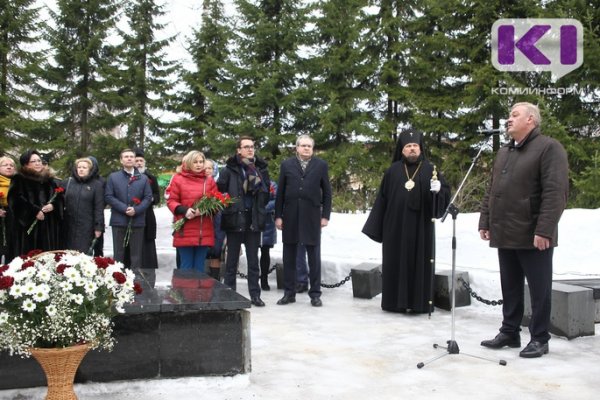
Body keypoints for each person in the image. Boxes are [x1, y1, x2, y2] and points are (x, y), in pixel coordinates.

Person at [479, 102, 569, 358]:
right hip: (505, 231)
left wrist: (545, 230)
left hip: (533, 234)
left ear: (531, 120)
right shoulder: (505, 152)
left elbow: (556, 193)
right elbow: (492, 190)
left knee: (539, 289)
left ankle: (540, 338)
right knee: (510, 286)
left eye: (514, 115)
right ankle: (510, 331)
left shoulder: (549, 148)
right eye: (508, 115)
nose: (509, 119)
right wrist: (485, 221)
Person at [362, 129, 450, 314]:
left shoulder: (431, 170)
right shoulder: (392, 171)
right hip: (395, 228)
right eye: (408, 146)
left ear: (420, 149)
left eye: (415, 146)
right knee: (395, 263)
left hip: (421, 229)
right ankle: (394, 303)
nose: (412, 149)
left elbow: (442, 199)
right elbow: (382, 200)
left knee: (420, 264)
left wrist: (439, 189)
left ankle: (419, 304)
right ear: (402, 150)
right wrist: (377, 227)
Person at [275, 135, 332, 307]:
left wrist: (325, 216)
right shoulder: (287, 165)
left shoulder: (321, 165)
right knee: (289, 256)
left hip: (312, 216)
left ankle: (315, 294)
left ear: (312, 149)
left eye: (309, 146)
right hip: (290, 216)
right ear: (297, 148)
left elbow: (327, 193)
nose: (306, 148)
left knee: (314, 256)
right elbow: (280, 193)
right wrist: (278, 216)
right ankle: (289, 293)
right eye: (303, 145)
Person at [217, 136, 270, 307]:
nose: (250, 149)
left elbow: (267, 193)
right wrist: (228, 204)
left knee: (253, 261)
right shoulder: (229, 169)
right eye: (246, 147)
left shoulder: (260, 169)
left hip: (253, 219)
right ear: (238, 150)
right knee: (232, 261)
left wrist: (259, 196)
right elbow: (220, 192)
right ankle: (229, 294)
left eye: (252, 147)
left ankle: (255, 295)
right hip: (234, 218)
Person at [105, 149, 153, 283]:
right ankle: (117, 279)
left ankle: (135, 280)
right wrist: (124, 208)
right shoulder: (113, 177)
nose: (129, 159)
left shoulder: (143, 178)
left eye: (132, 156)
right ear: (121, 160)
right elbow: (109, 196)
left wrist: (136, 210)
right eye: (126, 157)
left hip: (137, 221)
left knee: (136, 254)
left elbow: (148, 197)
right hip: (119, 220)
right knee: (118, 253)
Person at [167, 151, 217, 271]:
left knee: (200, 267)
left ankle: (198, 290)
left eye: (201, 162)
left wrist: (204, 210)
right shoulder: (178, 179)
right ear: (188, 163)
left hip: (203, 229)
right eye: (195, 162)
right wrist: (185, 210)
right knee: (186, 267)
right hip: (185, 229)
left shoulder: (209, 181)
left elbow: (216, 203)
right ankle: (185, 290)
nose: (199, 165)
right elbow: (171, 201)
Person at [8, 150, 64, 257]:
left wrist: (53, 206)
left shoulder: (49, 179)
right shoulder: (19, 179)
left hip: (48, 226)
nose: (38, 163)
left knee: (48, 257)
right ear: (26, 164)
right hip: (28, 228)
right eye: (33, 161)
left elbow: (60, 197)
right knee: (30, 258)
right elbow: (14, 200)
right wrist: (33, 211)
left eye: (39, 160)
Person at [124, 149, 160, 285]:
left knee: (147, 247)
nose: (138, 163)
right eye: (136, 160)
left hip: (147, 217)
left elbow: (157, 197)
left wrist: (148, 199)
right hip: (132, 216)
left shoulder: (151, 178)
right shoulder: (127, 177)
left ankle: (148, 278)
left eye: (141, 161)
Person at [62, 157, 105, 254]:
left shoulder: (96, 185)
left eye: (84, 167)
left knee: (82, 255)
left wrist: (98, 227)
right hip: (68, 226)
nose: (81, 169)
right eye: (79, 167)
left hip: (86, 228)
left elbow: (99, 208)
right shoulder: (67, 183)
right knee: (67, 255)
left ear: (90, 169)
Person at [205, 159, 226, 280]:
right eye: (205, 168)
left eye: (210, 168)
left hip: (218, 221)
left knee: (216, 252)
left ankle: (215, 280)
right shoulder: (198, 183)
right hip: (202, 220)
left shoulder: (221, 184)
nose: (207, 170)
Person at [259, 181, 277, 290]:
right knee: (251, 253)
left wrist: (263, 208)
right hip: (252, 221)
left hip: (268, 223)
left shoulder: (272, 184)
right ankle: (253, 279)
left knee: (265, 252)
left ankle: (264, 280)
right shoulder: (250, 181)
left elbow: (276, 200)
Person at [0, 156, 16, 262]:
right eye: (5, 165)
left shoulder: (19, 182)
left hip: (14, 220)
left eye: (11, 165)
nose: (9, 167)